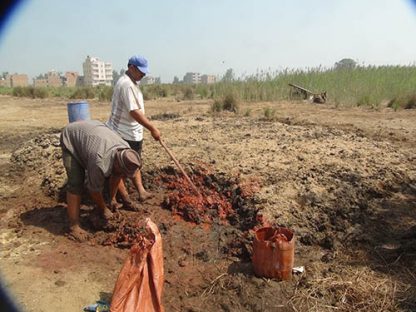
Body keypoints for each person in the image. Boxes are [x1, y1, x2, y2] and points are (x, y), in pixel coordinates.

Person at [60, 120, 142, 242]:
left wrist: (113, 199)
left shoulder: (125, 149)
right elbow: (93, 190)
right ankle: (74, 226)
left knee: (114, 173)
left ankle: (126, 199)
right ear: (116, 163)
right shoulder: (99, 162)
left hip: (93, 134)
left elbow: (117, 174)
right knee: (76, 182)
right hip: (72, 138)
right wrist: (103, 208)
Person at [106, 55, 161, 208]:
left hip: (133, 132)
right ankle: (120, 199)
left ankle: (141, 192)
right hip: (122, 133)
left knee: (135, 163)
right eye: (140, 71)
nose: (143, 75)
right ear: (131, 68)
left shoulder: (132, 82)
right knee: (121, 168)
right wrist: (152, 128)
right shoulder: (126, 85)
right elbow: (134, 112)